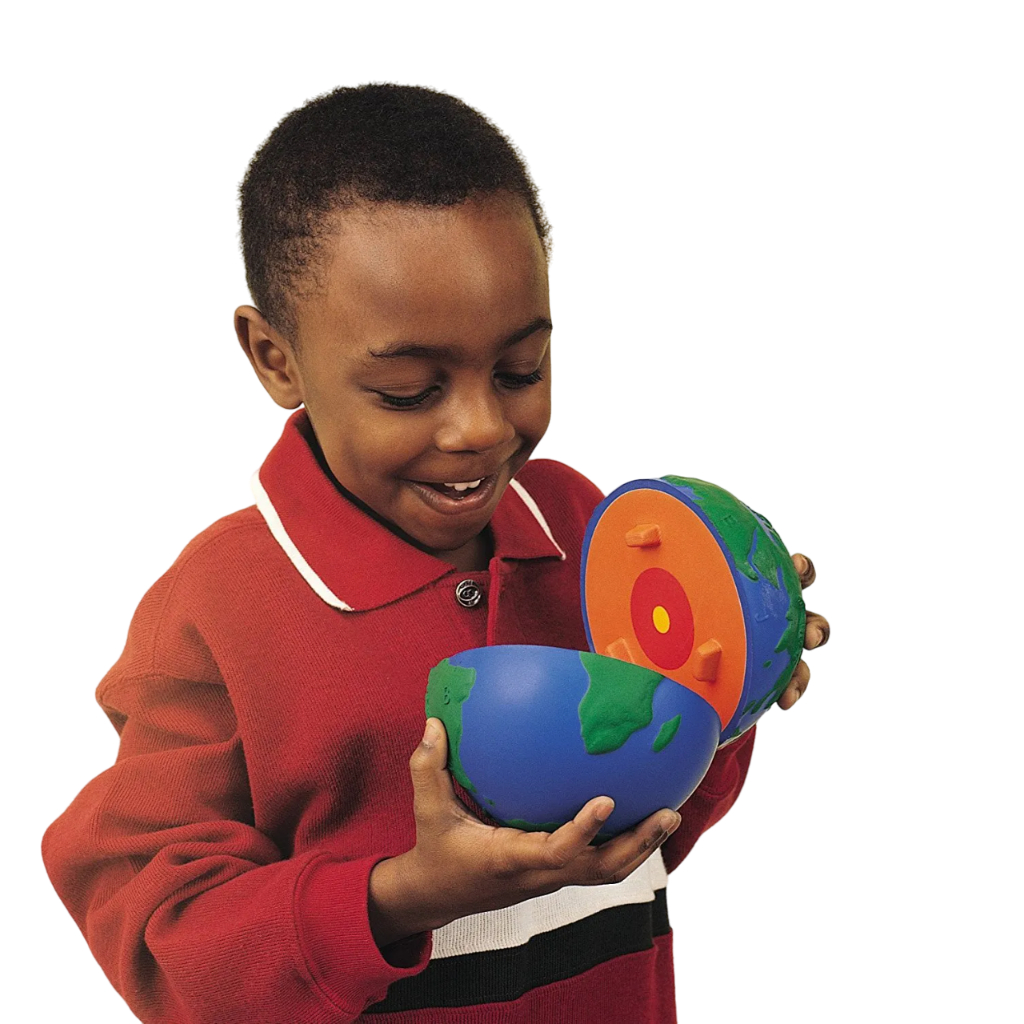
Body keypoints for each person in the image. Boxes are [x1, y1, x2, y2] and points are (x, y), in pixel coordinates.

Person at [42, 84, 829, 1023]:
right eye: (411, 390)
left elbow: (646, 839)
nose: (482, 428)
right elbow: (156, 931)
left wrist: (726, 691)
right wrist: (402, 896)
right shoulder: (217, 607)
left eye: (520, 370)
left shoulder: (583, 532)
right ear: (275, 358)